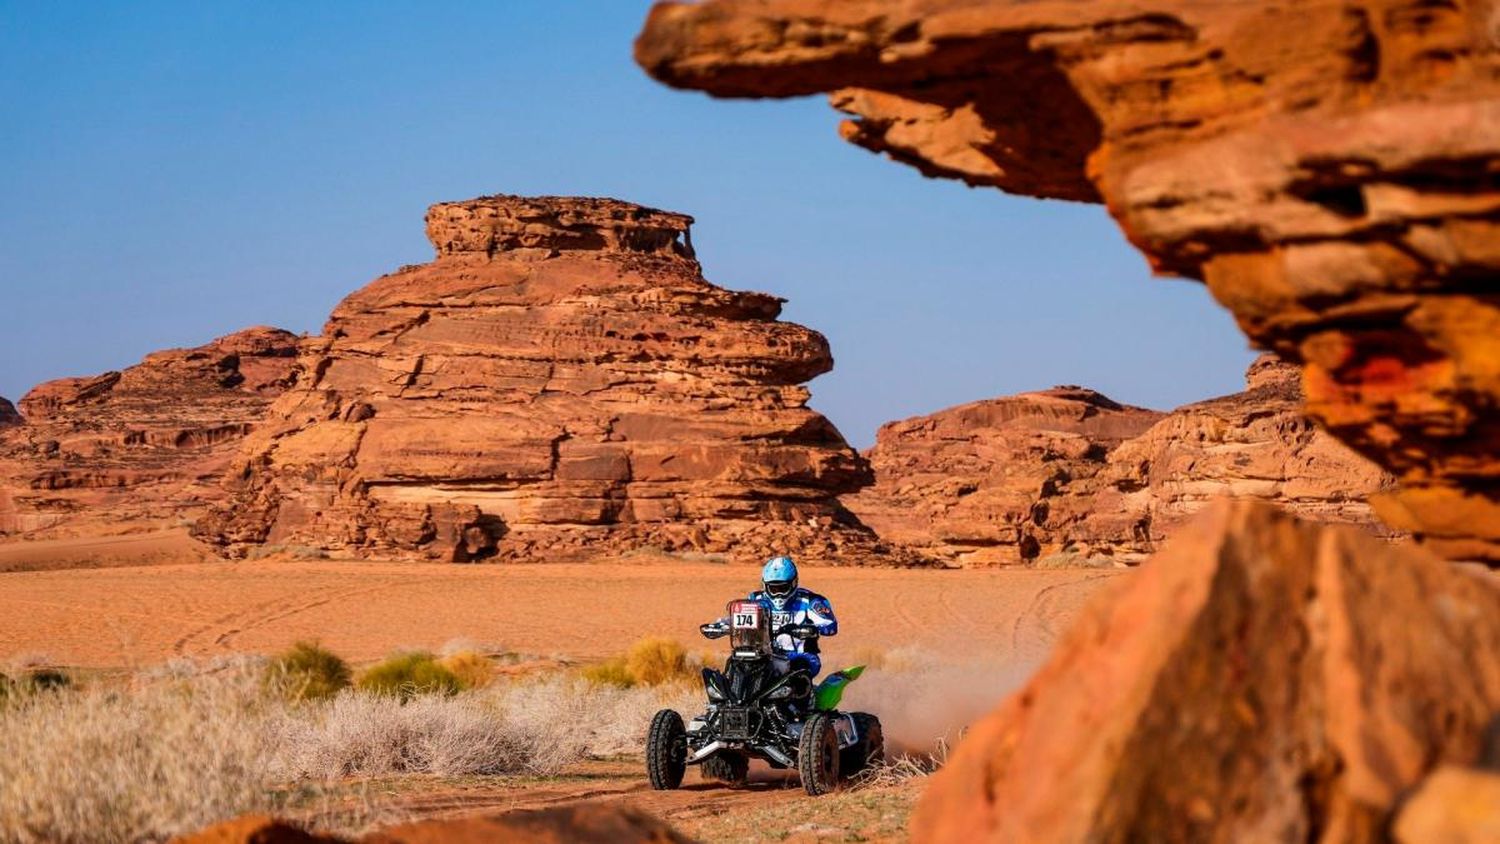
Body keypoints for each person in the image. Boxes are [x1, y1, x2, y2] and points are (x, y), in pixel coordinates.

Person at [702, 555, 838, 678]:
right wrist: (721, 626)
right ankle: (727, 698)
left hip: (799, 655)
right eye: (773, 589)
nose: (778, 594)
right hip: (763, 654)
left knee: (799, 670)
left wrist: (811, 629)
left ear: (794, 583)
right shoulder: (756, 599)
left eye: (783, 588)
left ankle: (805, 701)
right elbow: (741, 617)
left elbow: (830, 625)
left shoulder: (810, 601)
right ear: (765, 585)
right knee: (735, 662)